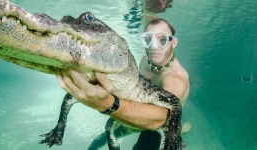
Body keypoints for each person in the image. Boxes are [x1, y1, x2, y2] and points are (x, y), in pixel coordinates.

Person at [56, 15, 190, 149]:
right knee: (100, 140)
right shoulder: (146, 60)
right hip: (134, 112)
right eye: (148, 39)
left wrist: (106, 103)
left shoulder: (176, 79)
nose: (153, 47)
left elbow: (158, 119)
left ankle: (178, 132)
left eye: (162, 40)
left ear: (173, 42)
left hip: (157, 126)